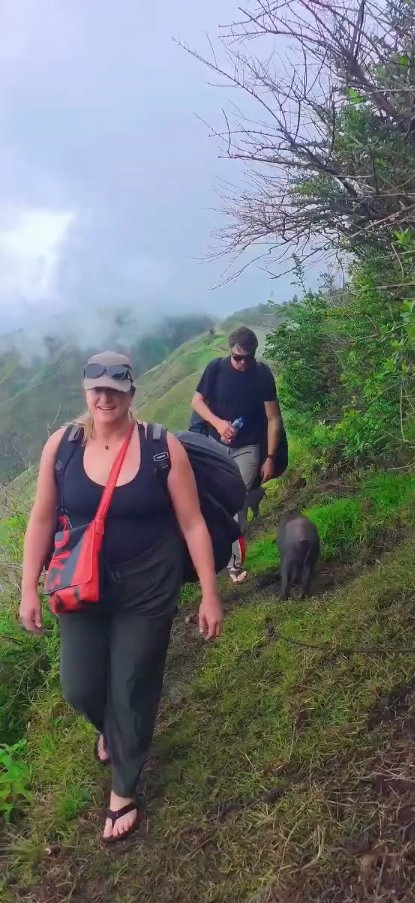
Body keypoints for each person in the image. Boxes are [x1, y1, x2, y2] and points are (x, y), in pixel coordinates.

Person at [19, 351, 222, 843]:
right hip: (82, 583)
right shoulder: (62, 446)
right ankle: (110, 729)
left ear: (132, 392)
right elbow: (42, 520)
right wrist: (27, 587)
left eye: (115, 388)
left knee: (132, 680)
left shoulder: (159, 447)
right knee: (81, 686)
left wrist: (210, 594)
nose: (105, 397)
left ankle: (124, 789)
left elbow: (192, 523)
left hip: (150, 582)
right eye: (97, 389)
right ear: (86, 393)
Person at [191, 327, 282, 582]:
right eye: (237, 357)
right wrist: (219, 424)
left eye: (247, 358)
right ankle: (206, 556)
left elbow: (273, 418)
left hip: (248, 447)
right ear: (230, 351)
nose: (242, 363)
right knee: (209, 499)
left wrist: (270, 457)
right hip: (214, 444)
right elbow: (196, 402)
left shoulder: (262, 374)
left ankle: (234, 564)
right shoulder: (216, 369)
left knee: (237, 502)